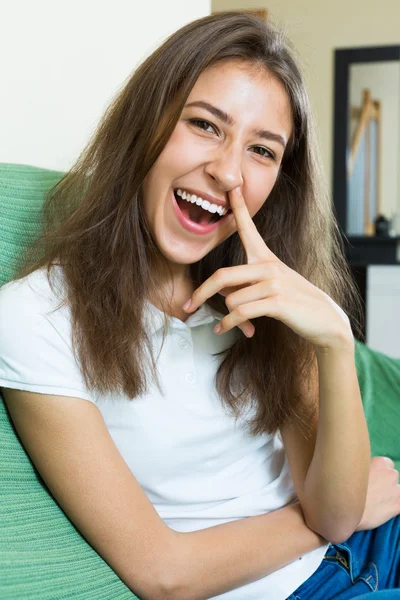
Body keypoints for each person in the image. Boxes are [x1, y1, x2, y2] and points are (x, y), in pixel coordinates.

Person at [0, 11, 399, 600]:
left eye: (262, 151)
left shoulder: (267, 298)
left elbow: (336, 512)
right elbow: (164, 575)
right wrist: (315, 526)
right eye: (206, 125)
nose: (227, 172)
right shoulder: (34, 317)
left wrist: (334, 340)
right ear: (148, 123)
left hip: (376, 543)